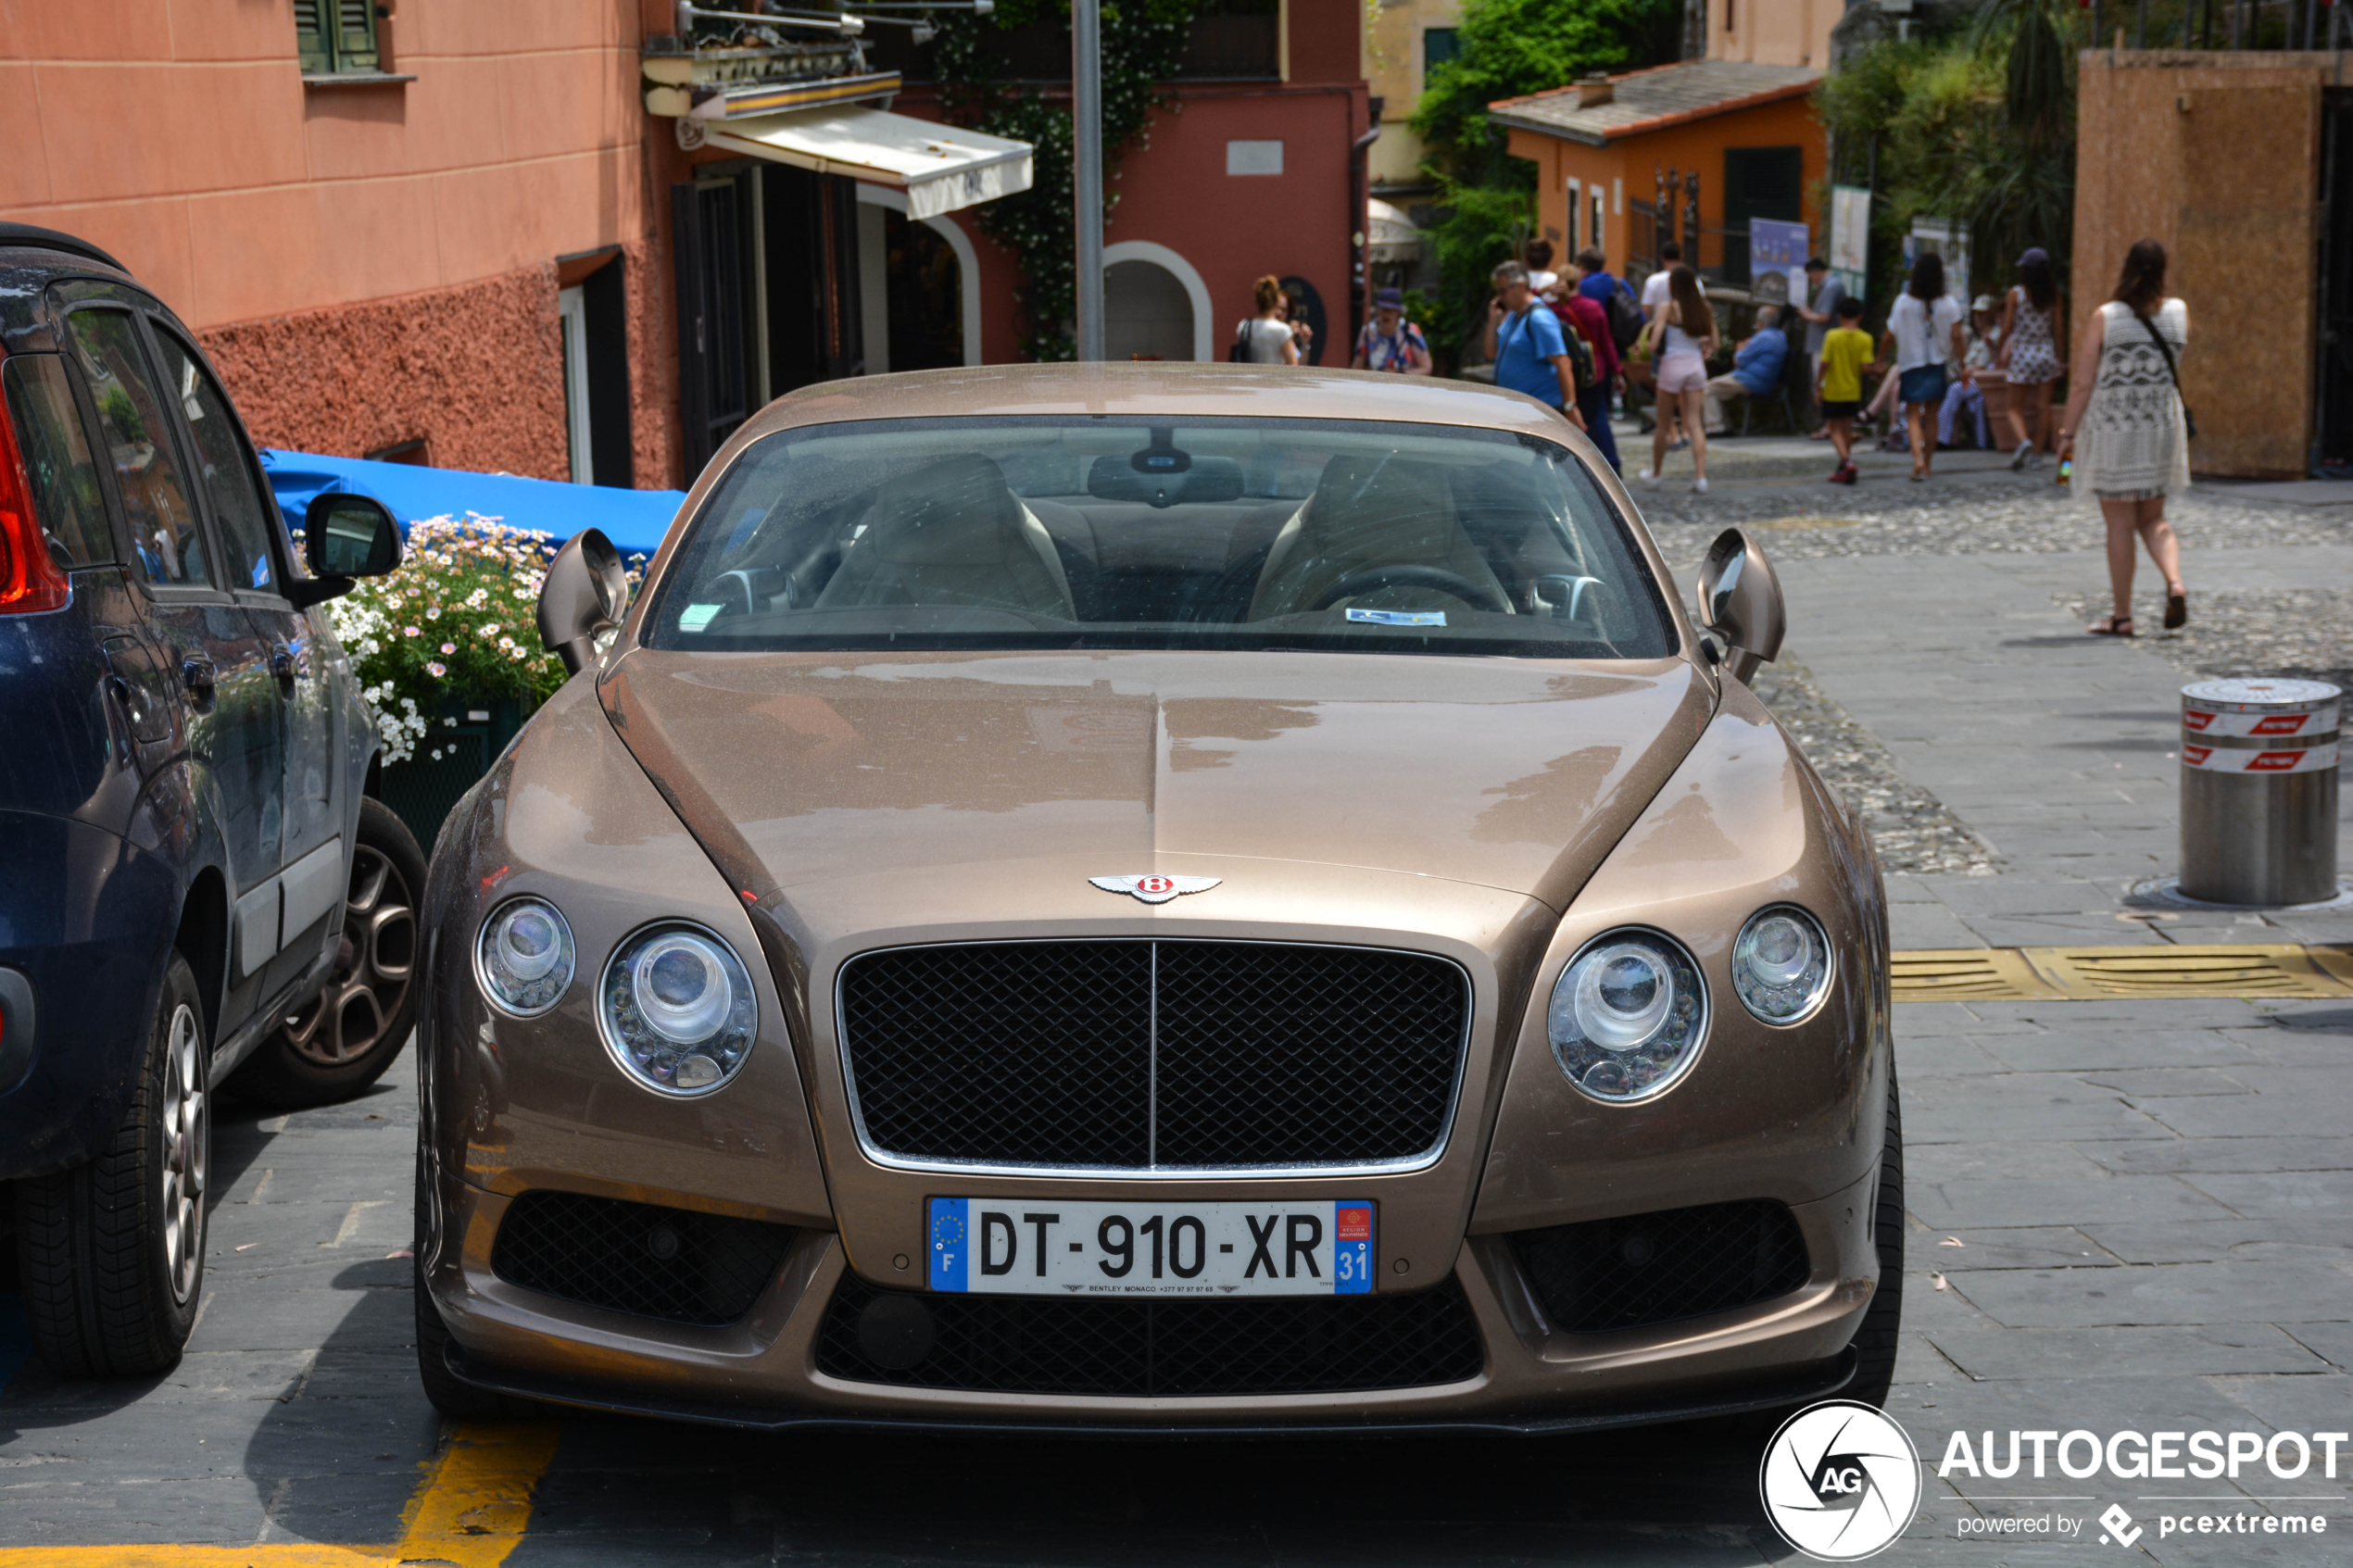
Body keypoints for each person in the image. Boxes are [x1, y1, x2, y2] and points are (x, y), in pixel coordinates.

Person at [2057, 239, 2191, 637]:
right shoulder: (2179, 313)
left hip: (2115, 427)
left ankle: (2122, 616)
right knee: (2154, 518)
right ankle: (2175, 582)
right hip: (2160, 426)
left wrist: (2067, 433)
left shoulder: (2106, 317)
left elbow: (2082, 384)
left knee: (2118, 522)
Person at [1882, 252, 1966, 481]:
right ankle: (1927, 464)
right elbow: (1957, 336)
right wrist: (1963, 363)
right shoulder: (1948, 303)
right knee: (1932, 417)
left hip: (1911, 364)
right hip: (1937, 364)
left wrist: (1880, 358)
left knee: (1912, 414)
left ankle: (1917, 459)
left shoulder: (1903, 302)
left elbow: (1889, 335)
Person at [1636, 263, 1718, 492]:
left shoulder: (1668, 308)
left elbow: (1653, 344)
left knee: (1663, 424)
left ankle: (1656, 473)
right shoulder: (1704, 308)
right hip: (1695, 366)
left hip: (1672, 365)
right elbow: (1715, 342)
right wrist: (1699, 343)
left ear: (1673, 286)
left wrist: (1650, 344)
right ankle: (1700, 478)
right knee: (1695, 424)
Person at [1484, 261, 1586, 429]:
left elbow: (1562, 363)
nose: (1500, 298)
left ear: (1520, 286)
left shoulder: (1539, 318)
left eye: (1503, 291)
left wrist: (1570, 407)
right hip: (1519, 410)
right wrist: (1493, 321)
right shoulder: (1514, 316)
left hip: (1540, 411)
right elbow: (1490, 354)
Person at [1997, 247, 2066, 469]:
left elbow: (2007, 327)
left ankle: (2024, 441)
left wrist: (1999, 349)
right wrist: (2060, 358)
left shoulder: (2016, 294)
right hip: (2045, 352)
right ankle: (2036, 455)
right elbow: (2059, 330)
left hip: (2023, 353)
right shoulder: (2053, 295)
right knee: (2043, 406)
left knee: (2012, 407)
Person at [1554, 255, 1622, 471]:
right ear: (1578, 281)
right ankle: (1611, 463)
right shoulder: (1593, 307)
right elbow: (1606, 342)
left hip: (1568, 372)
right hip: (1596, 370)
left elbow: (1531, 297)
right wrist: (1618, 371)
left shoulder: (1552, 310)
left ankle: (1575, 464)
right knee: (1598, 417)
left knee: (1570, 417)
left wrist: (1547, 288)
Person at [1703, 304, 1788, 434]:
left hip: (1750, 380)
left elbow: (1738, 360)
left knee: (1707, 388)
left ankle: (1716, 427)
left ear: (1760, 322)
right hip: (1766, 380)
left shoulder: (1762, 337)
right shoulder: (1780, 335)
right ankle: (1725, 425)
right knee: (1717, 387)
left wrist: (1739, 349)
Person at [1817, 295, 1872, 483]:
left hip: (1833, 390)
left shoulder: (1832, 336)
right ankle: (1843, 467)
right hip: (1853, 390)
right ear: (1860, 316)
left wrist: (1817, 386)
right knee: (1847, 429)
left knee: (1834, 429)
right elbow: (1865, 368)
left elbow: (1824, 363)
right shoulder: (1866, 338)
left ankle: (1847, 462)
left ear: (1839, 315)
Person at [1936, 295, 2003, 450]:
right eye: (1976, 313)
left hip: (1984, 379)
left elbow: (1983, 366)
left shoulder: (1995, 334)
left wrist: (1966, 372)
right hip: (1974, 379)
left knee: (1955, 389)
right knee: (1975, 400)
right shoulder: (1979, 336)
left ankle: (1941, 438)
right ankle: (1980, 442)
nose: (1978, 317)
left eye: (1982, 313)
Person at [1638, 242, 1687, 448]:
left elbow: (1646, 312)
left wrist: (1643, 336)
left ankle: (1672, 433)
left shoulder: (1654, 281)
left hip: (1664, 340)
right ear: (1681, 256)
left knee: (1663, 389)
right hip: (1687, 338)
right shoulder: (1691, 279)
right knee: (1684, 389)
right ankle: (1686, 430)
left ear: (1661, 257)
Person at [1793, 257, 1847, 439]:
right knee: (1826, 384)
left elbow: (1824, 317)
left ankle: (1829, 425)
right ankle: (1830, 424)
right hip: (1824, 342)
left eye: (1810, 276)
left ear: (1816, 271)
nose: (1811, 280)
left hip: (1824, 342)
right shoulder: (1832, 285)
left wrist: (1808, 315)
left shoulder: (1831, 286)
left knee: (1824, 384)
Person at [1352, 287, 1432, 374]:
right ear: (1377, 310)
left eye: (1391, 310)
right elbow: (1356, 367)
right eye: (1383, 309)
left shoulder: (1410, 331)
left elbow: (1426, 367)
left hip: (1403, 384)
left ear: (1399, 312)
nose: (1386, 314)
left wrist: (1400, 374)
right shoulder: (1368, 331)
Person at [1235, 274, 1298, 365]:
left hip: (1250, 377)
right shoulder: (1282, 330)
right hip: (1274, 378)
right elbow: (1292, 362)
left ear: (1256, 300)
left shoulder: (1243, 326)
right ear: (1276, 301)